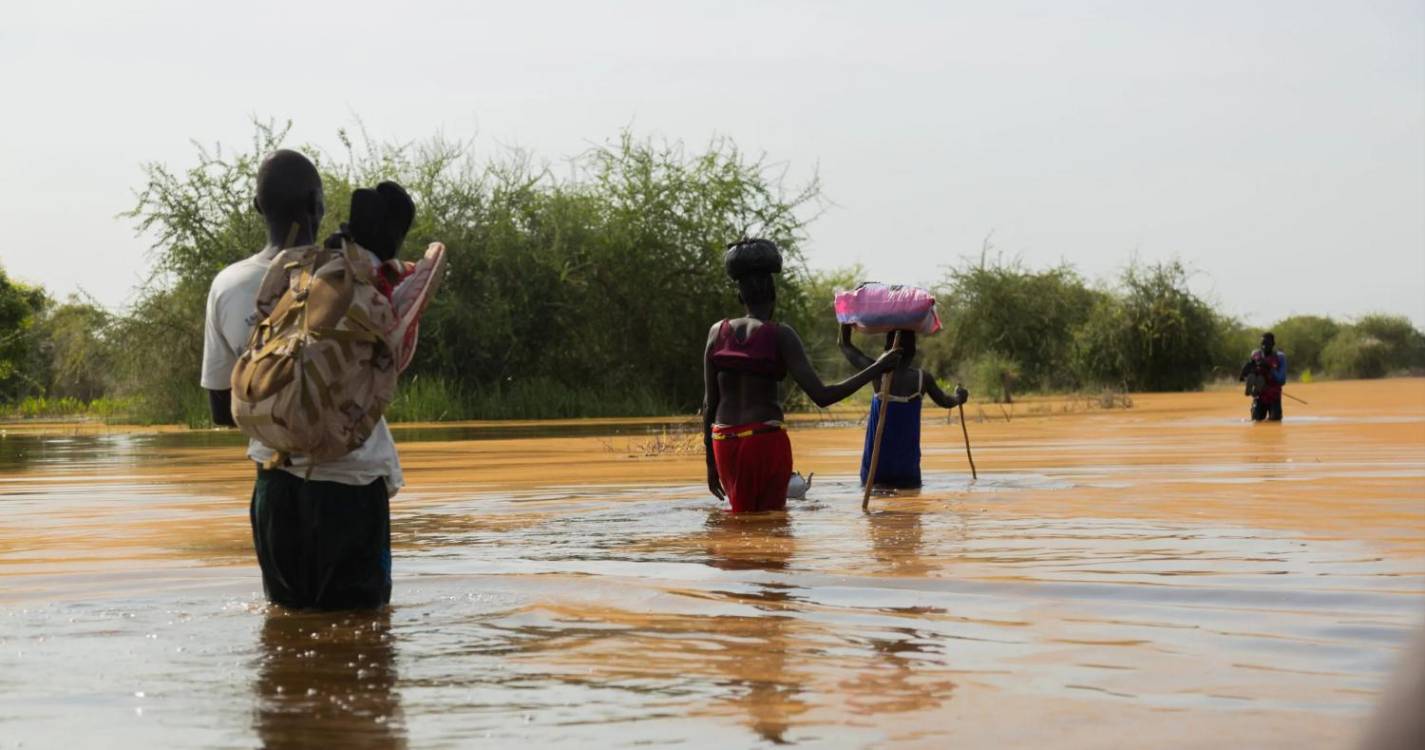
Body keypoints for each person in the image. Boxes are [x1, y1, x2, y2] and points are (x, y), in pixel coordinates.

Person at [201, 150, 402, 610]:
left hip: (275, 490)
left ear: (258, 207)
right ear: (317, 205)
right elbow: (389, 369)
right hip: (352, 485)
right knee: (366, 634)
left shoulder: (227, 286)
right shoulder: (357, 276)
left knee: (285, 631)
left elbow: (221, 409)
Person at [703, 238, 901, 513]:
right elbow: (822, 396)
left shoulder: (717, 332)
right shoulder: (780, 335)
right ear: (773, 294)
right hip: (764, 440)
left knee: (740, 521)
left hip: (722, 443)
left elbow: (709, 404)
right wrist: (878, 367)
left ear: (740, 297)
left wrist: (710, 464)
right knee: (771, 524)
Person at [838, 326, 969, 488]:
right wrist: (959, 397)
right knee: (910, 500)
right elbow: (946, 401)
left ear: (886, 349)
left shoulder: (876, 372)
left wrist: (845, 321)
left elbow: (844, 345)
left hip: (875, 467)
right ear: (913, 352)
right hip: (907, 468)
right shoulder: (922, 379)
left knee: (877, 498)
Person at [1239, 331, 1287, 422]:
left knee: (1275, 422)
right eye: (1262, 344)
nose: (1264, 346)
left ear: (1273, 344)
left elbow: (1282, 380)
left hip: (1274, 396)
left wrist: (1270, 368)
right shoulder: (1255, 355)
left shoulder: (1280, 357)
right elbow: (1246, 376)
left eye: (1267, 344)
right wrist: (1247, 375)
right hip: (1259, 396)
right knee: (1256, 421)